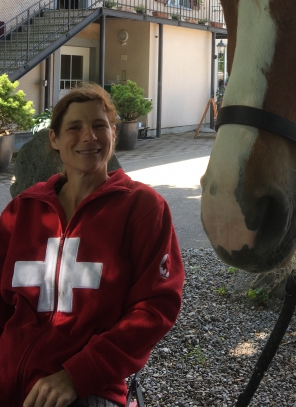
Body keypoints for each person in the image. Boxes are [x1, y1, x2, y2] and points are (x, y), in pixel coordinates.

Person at [0, 84, 184, 407]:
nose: (89, 136)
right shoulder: (23, 210)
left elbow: (155, 308)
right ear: (54, 140)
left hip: (88, 387)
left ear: (114, 133)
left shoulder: (143, 208)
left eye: (100, 126)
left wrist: (77, 374)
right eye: (75, 127)